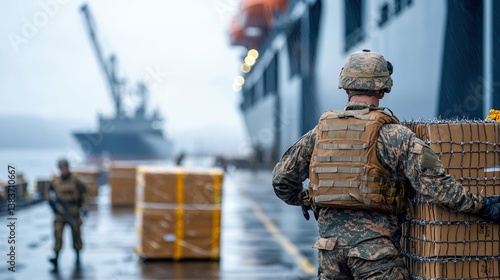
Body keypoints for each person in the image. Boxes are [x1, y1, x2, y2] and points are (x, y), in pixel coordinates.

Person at [272, 49, 500, 279]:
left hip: (329, 255)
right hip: (376, 258)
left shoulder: (319, 133)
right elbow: (438, 187)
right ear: (383, 89)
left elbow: (281, 180)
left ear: (346, 88)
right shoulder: (394, 135)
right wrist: (483, 206)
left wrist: (309, 199)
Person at [47, 158, 87, 272]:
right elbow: (49, 195)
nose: (63, 170)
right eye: (61, 168)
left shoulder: (76, 181)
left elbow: (83, 194)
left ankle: (78, 256)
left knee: (76, 235)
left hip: (73, 212)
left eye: (64, 167)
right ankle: (56, 257)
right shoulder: (55, 181)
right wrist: (55, 207)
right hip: (60, 214)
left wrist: (83, 207)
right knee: (57, 235)